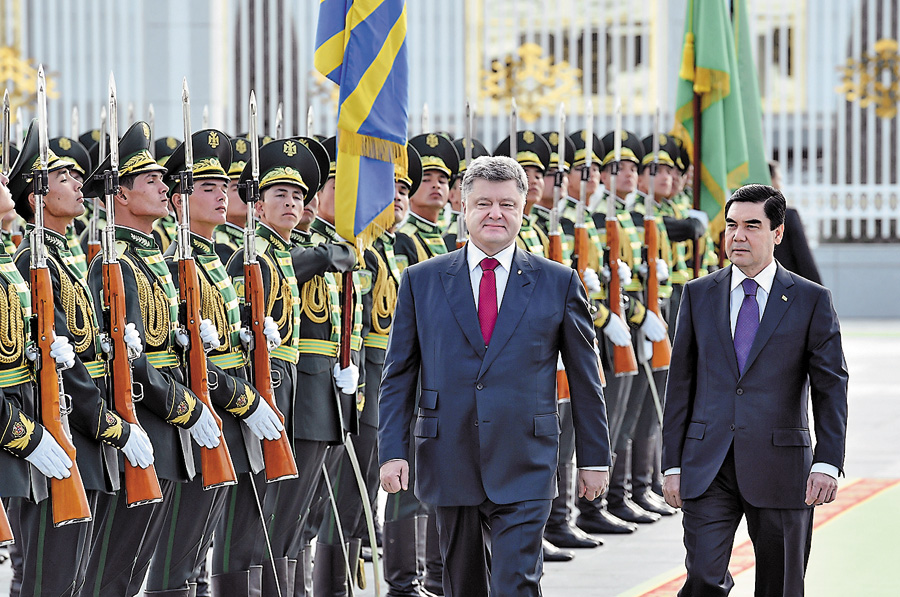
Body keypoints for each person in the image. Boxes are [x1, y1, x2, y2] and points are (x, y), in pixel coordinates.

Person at [379, 155, 611, 597]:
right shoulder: (421, 281)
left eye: (507, 204)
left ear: (523, 210)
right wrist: (392, 452)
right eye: (483, 203)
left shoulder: (557, 282)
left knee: (516, 583)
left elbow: (586, 378)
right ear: (462, 208)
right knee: (461, 584)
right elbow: (398, 376)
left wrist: (595, 459)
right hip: (449, 455)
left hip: (526, 456)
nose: (495, 214)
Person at [662, 183, 848, 596]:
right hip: (708, 466)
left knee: (780, 585)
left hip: (782, 467)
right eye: (731, 225)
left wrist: (828, 461)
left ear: (778, 233)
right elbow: (681, 385)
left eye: (752, 225)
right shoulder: (697, 295)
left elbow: (831, 386)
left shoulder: (810, 300)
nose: (738, 236)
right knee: (703, 580)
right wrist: (672, 464)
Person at [769, 160, 822, 285]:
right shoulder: (788, 216)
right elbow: (805, 261)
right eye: (779, 179)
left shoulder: (741, 219)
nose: (780, 185)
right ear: (770, 180)